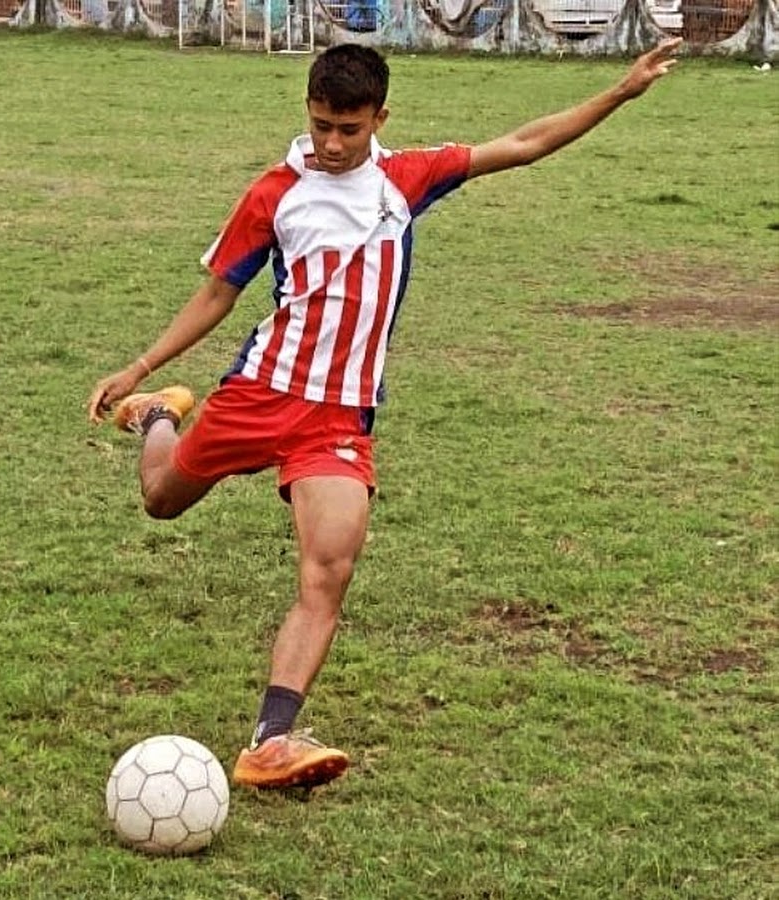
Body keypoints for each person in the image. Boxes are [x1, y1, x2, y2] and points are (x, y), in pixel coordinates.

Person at [88, 39, 681, 790]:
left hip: (338, 419)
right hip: (261, 393)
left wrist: (620, 92)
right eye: (321, 125)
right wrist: (141, 370)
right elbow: (217, 293)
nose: (333, 144)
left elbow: (524, 144)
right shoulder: (274, 193)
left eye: (350, 129)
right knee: (161, 500)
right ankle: (157, 419)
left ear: (380, 119)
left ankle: (271, 739)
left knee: (328, 571)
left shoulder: (406, 180)